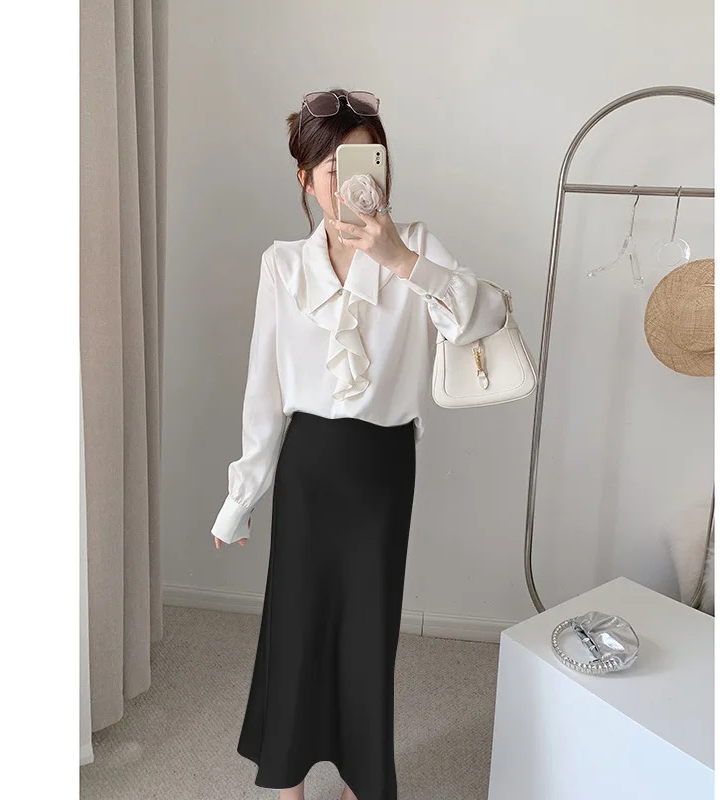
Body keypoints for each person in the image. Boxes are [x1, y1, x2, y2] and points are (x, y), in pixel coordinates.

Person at [210, 88, 510, 800]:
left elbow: (486, 315)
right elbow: (264, 389)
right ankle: (286, 781)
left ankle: (360, 778)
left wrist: (401, 259)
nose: (354, 184)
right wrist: (241, 497)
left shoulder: (418, 246)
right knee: (295, 625)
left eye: (369, 162)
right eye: (333, 170)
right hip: (310, 464)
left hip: (382, 466)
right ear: (306, 181)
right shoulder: (283, 265)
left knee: (369, 632)